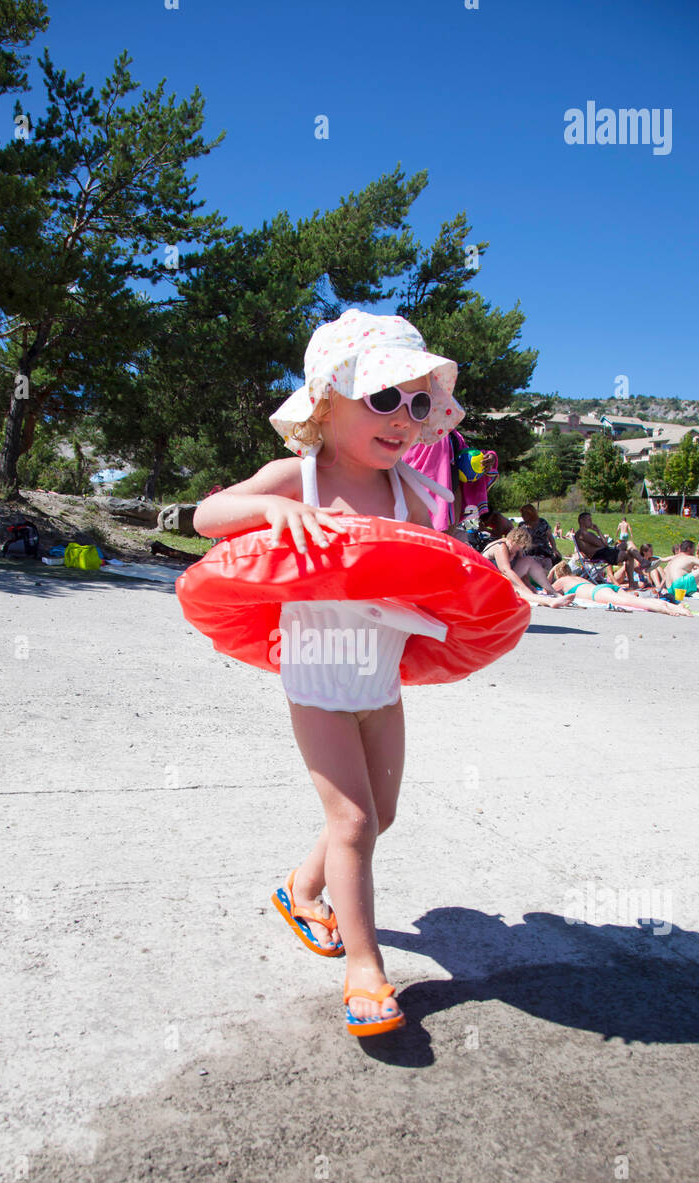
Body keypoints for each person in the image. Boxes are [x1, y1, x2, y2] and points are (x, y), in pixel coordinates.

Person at [191, 309, 508, 1038]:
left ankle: (302, 889)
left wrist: (483, 581)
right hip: (317, 678)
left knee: (381, 815)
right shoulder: (299, 476)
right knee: (355, 818)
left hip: (380, 678)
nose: (405, 419)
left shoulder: (416, 497)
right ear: (328, 400)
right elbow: (209, 513)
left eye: (420, 403)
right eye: (384, 398)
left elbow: (439, 572)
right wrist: (269, 510)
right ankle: (364, 967)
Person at [548, 560, 691, 616]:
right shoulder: (577, 578)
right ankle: (674, 607)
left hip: (597, 593)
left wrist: (551, 572)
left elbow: (547, 589)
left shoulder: (562, 581)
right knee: (630, 599)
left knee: (633, 602)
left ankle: (663, 609)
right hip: (604, 587)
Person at [483, 525, 574, 607]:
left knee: (529, 560)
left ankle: (553, 592)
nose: (517, 551)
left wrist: (529, 585)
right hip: (486, 579)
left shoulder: (515, 548)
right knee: (515, 585)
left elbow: (524, 570)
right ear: (511, 541)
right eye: (518, 547)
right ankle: (548, 601)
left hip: (500, 577)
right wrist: (526, 588)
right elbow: (506, 570)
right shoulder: (500, 546)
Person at [574, 511, 637, 587]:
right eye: (589, 520)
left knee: (628, 543)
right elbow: (604, 544)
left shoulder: (583, 533)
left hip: (602, 552)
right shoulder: (583, 533)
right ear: (582, 521)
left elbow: (604, 545)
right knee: (629, 555)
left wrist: (598, 531)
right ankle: (632, 583)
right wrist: (599, 532)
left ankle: (642, 561)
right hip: (601, 554)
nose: (591, 522)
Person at [520, 503, 562, 572]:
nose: (522, 516)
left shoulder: (542, 522)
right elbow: (520, 541)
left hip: (543, 548)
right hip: (529, 549)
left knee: (556, 557)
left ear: (530, 514)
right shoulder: (522, 525)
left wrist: (554, 548)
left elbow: (550, 537)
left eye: (524, 514)